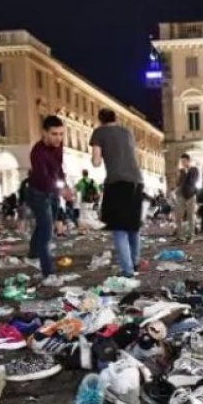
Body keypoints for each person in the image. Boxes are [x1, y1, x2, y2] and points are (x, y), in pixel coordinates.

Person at [90, 108, 145, 278]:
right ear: (116, 118)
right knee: (133, 226)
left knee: (119, 229)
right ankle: (135, 262)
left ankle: (127, 270)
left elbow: (96, 162)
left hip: (116, 182)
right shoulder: (127, 132)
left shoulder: (99, 132)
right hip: (137, 181)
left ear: (100, 120)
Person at [27, 116, 66, 284]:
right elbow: (44, 179)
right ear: (44, 133)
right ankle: (48, 272)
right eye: (54, 134)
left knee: (43, 226)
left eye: (61, 134)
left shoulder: (58, 146)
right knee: (47, 232)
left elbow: (58, 169)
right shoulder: (37, 152)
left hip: (53, 192)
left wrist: (64, 184)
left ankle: (33, 255)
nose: (58, 138)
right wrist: (60, 188)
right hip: (38, 193)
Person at [173, 153, 199, 243]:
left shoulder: (194, 170)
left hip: (190, 195)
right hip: (181, 195)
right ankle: (180, 236)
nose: (183, 163)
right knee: (178, 216)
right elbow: (178, 183)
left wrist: (185, 173)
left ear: (188, 161)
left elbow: (192, 181)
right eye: (181, 162)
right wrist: (179, 175)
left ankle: (191, 236)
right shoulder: (181, 171)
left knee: (190, 216)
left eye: (184, 161)